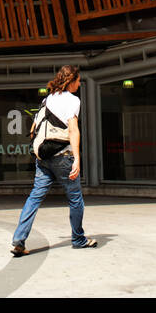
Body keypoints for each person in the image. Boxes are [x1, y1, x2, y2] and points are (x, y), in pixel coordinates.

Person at [11, 65, 97, 256]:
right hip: (63, 156)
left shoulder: (47, 99)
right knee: (75, 198)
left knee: (35, 197)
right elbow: (73, 130)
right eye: (77, 81)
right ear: (71, 81)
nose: (78, 84)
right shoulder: (73, 100)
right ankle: (78, 239)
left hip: (43, 157)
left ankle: (19, 239)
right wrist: (77, 159)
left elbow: (34, 127)